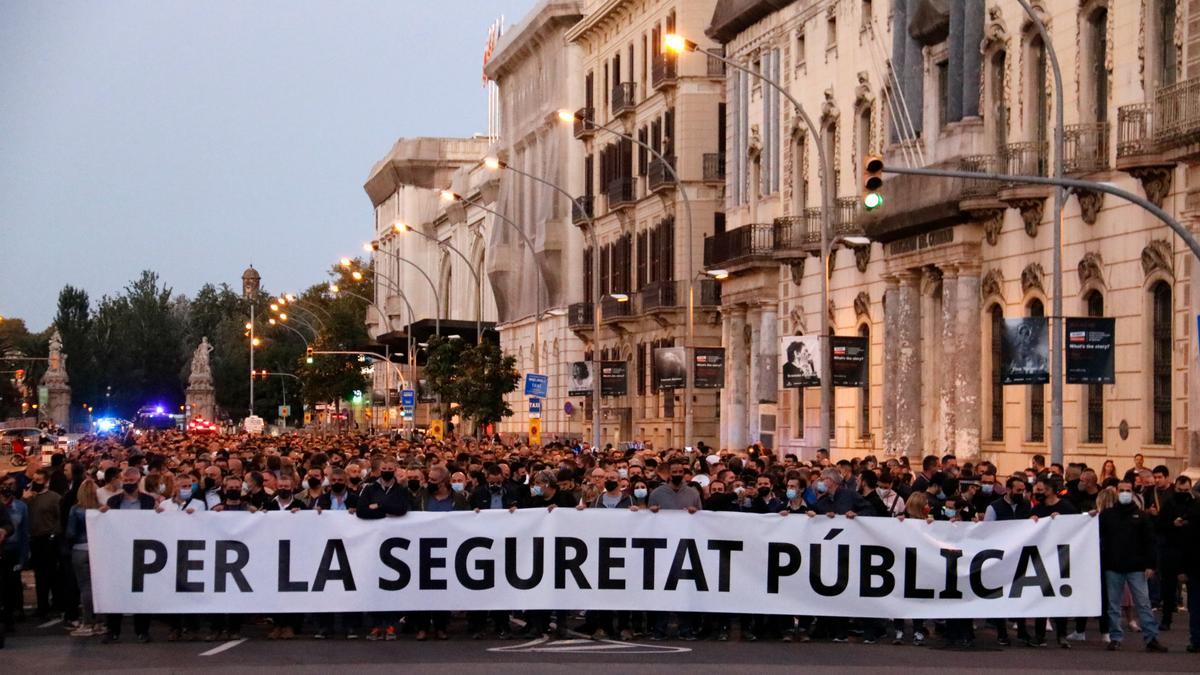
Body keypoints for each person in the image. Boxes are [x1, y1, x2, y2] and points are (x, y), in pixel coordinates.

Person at [1099, 481, 1168, 652]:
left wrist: (1151, 565)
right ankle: (1115, 638)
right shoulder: (1107, 515)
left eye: (1127, 491)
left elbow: (1150, 542)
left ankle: (1151, 638)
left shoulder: (1141, 516)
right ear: (1116, 492)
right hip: (1113, 566)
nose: (1124, 493)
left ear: (1132, 493)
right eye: (1121, 490)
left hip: (1136, 568)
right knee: (1113, 605)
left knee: (1143, 604)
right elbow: (1096, 535)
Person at [647, 459, 702, 641]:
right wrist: (652, 512)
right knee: (663, 589)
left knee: (684, 589)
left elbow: (702, 519)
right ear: (668, 473)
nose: (678, 474)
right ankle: (659, 628)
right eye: (674, 471)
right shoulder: (657, 493)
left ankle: (685, 628)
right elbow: (646, 520)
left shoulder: (693, 493)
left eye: (680, 471)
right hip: (663, 548)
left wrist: (695, 513)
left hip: (685, 548)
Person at [100, 467, 155, 643]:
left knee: (141, 593)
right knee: (115, 591)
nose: (129, 484)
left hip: (141, 551)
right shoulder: (114, 501)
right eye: (126, 480)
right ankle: (113, 630)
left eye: (132, 481)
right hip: (118, 551)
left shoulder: (148, 501)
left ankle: (142, 631)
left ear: (139, 481)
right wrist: (102, 515)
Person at [357, 459, 409, 641]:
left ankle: (391, 624)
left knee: (393, 583)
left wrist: (379, 506)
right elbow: (362, 511)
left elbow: (401, 509)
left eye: (390, 469)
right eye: (384, 469)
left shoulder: (401, 490)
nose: (387, 471)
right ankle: (375, 624)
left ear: (395, 470)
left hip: (395, 543)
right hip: (372, 542)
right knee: (374, 583)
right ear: (379, 470)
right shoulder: (370, 489)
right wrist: (386, 511)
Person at [64, 479, 101, 637]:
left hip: (80, 549)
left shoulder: (76, 509)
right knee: (100, 587)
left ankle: (87, 622)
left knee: (85, 587)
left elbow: (70, 532)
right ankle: (101, 622)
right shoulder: (101, 509)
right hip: (98, 550)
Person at [25, 468, 62, 619]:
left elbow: (60, 518)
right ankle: (42, 606)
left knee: (51, 574)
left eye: (39, 480)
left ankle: (56, 603)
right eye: (34, 480)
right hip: (34, 539)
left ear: (46, 481)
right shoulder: (28, 498)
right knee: (39, 575)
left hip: (48, 539)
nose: (36, 483)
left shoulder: (54, 498)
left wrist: (54, 534)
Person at [0, 476, 29, 630]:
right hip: (2, 549)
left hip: (13, 550)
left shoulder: (20, 507)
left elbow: (23, 531)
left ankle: (12, 614)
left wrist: (24, 554)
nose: (7, 489)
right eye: (5, 485)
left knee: (12, 584)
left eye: (11, 485)